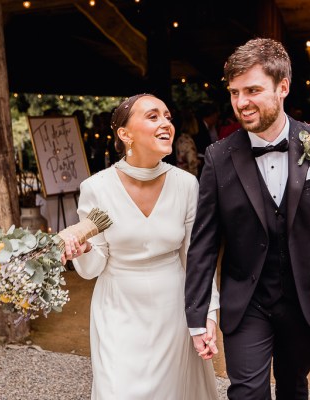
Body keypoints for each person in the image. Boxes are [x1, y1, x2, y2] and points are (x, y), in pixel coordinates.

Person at [184, 38, 310, 399]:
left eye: (252, 90)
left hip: (303, 300)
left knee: (294, 387)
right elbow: (203, 243)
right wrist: (198, 312)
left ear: (283, 88)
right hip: (246, 301)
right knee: (247, 392)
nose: (240, 103)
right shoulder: (218, 157)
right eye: (234, 92)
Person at [63, 94, 220, 400]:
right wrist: (82, 251)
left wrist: (208, 315)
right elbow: (94, 265)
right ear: (125, 133)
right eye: (152, 117)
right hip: (117, 309)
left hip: (172, 309)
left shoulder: (186, 185)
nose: (165, 123)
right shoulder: (97, 188)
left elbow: (196, 259)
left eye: (167, 117)